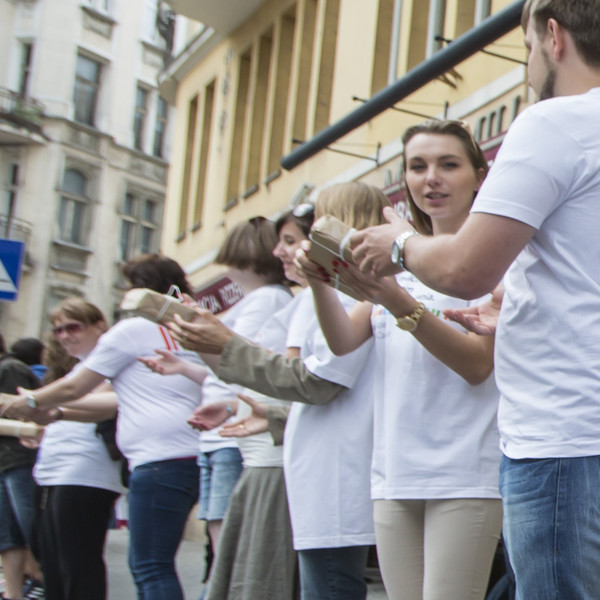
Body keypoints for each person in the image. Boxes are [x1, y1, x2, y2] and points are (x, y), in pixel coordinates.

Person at [349, 2, 600, 598]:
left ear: (553, 37)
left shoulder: (555, 121)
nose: (529, 64)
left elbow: (462, 267)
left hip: (569, 439)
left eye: (528, 48)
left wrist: (398, 244)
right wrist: (518, 310)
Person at [298, 121, 502, 599]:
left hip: (465, 469)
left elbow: (477, 366)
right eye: (418, 166)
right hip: (393, 469)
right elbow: (344, 341)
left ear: (478, 175)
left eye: (448, 165)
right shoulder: (394, 256)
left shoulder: (493, 259)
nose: (431, 177)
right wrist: (319, 281)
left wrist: (394, 300)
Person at [164, 188, 382, 600]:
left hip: (333, 471)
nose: (288, 249)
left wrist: (223, 343)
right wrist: (267, 412)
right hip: (316, 466)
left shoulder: (350, 292)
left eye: (310, 225)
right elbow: (317, 385)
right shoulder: (333, 293)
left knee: (325, 585)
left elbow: (316, 382)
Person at [0, 255, 205, 600]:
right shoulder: (192, 328)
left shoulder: (135, 329)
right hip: (183, 454)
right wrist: (52, 412)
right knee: (148, 564)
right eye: (59, 329)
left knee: (148, 566)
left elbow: (74, 389)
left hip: (153, 459)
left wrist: (31, 401)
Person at [195, 217, 292, 563]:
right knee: (222, 539)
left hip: (234, 431)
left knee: (228, 546)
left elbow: (238, 360)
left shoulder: (265, 299)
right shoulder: (263, 299)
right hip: (228, 429)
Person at [30, 299, 124, 600]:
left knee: (78, 564)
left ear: (99, 326)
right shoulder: (78, 368)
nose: (64, 336)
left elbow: (104, 406)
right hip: (55, 471)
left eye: (73, 327)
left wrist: (42, 404)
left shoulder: (110, 361)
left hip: (86, 471)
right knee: (53, 564)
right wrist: (42, 430)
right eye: (58, 330)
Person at [0, 335, 42, 600]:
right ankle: (13, 594)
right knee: (7, 536)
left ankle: (42, 582)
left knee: (31, 531)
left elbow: (22, 414)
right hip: (5, 462)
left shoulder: (10, 368)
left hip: (20, 459)